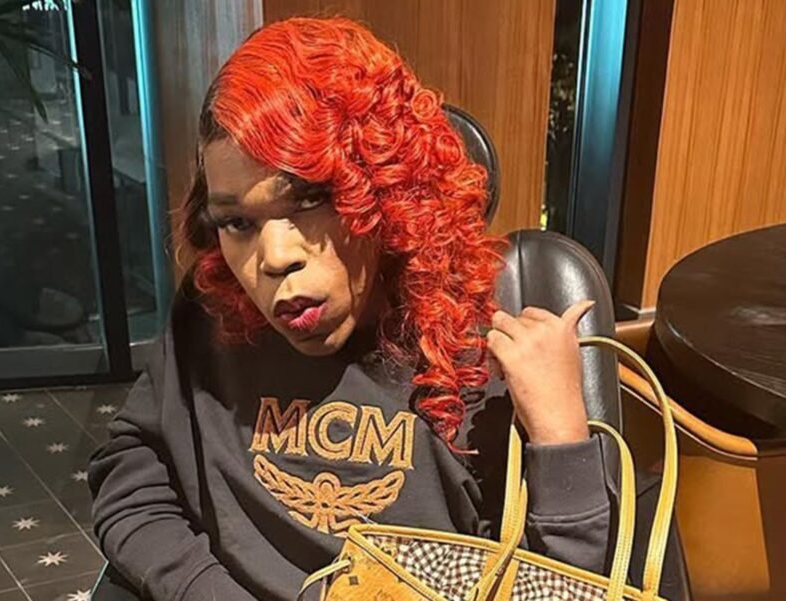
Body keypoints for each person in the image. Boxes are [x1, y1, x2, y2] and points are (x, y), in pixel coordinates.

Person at [88, 16, 610, 601]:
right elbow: (133, 473)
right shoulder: (213, 314)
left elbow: (563, 588)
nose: (274, 258)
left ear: (385, 189)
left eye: (310, 200)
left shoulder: (482, 347)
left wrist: (561, 437)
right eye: (237, 222)